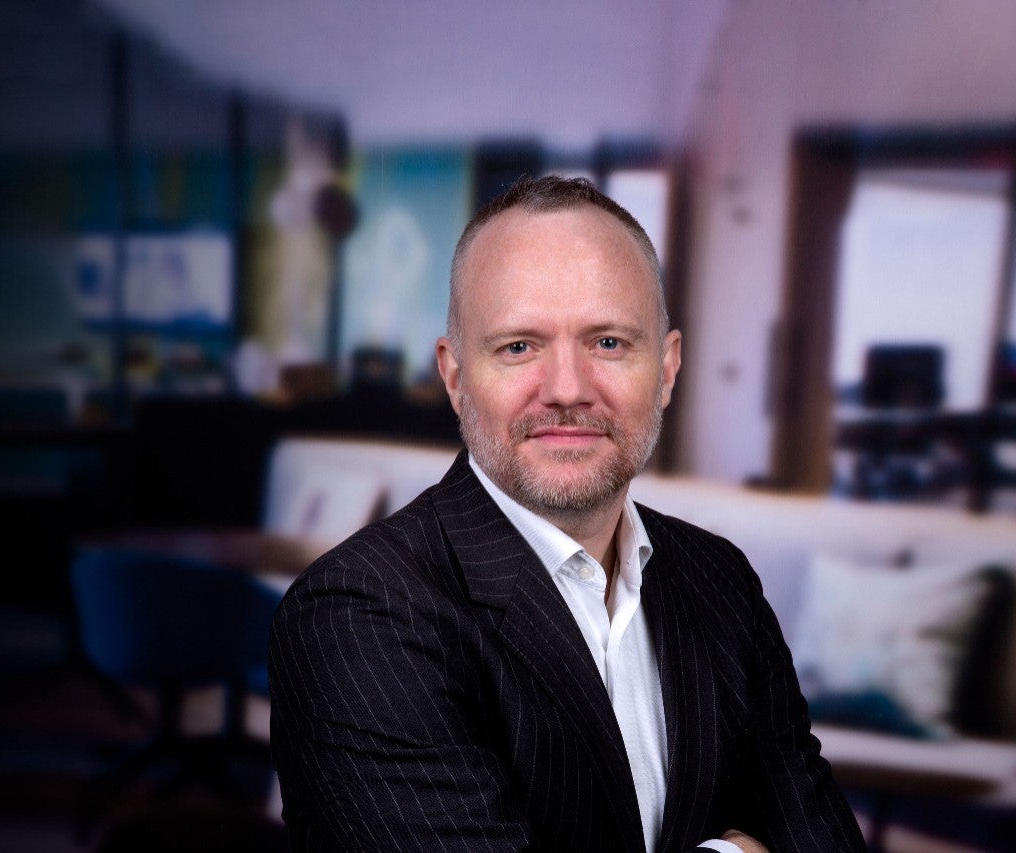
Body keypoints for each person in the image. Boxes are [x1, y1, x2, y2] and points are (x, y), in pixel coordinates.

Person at [268, 175, 866, 852]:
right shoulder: (357, 614)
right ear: (456, 377)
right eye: (518, 346)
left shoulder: (720, 579)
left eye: (608, 343)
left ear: (667, 369)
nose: (567, 390)